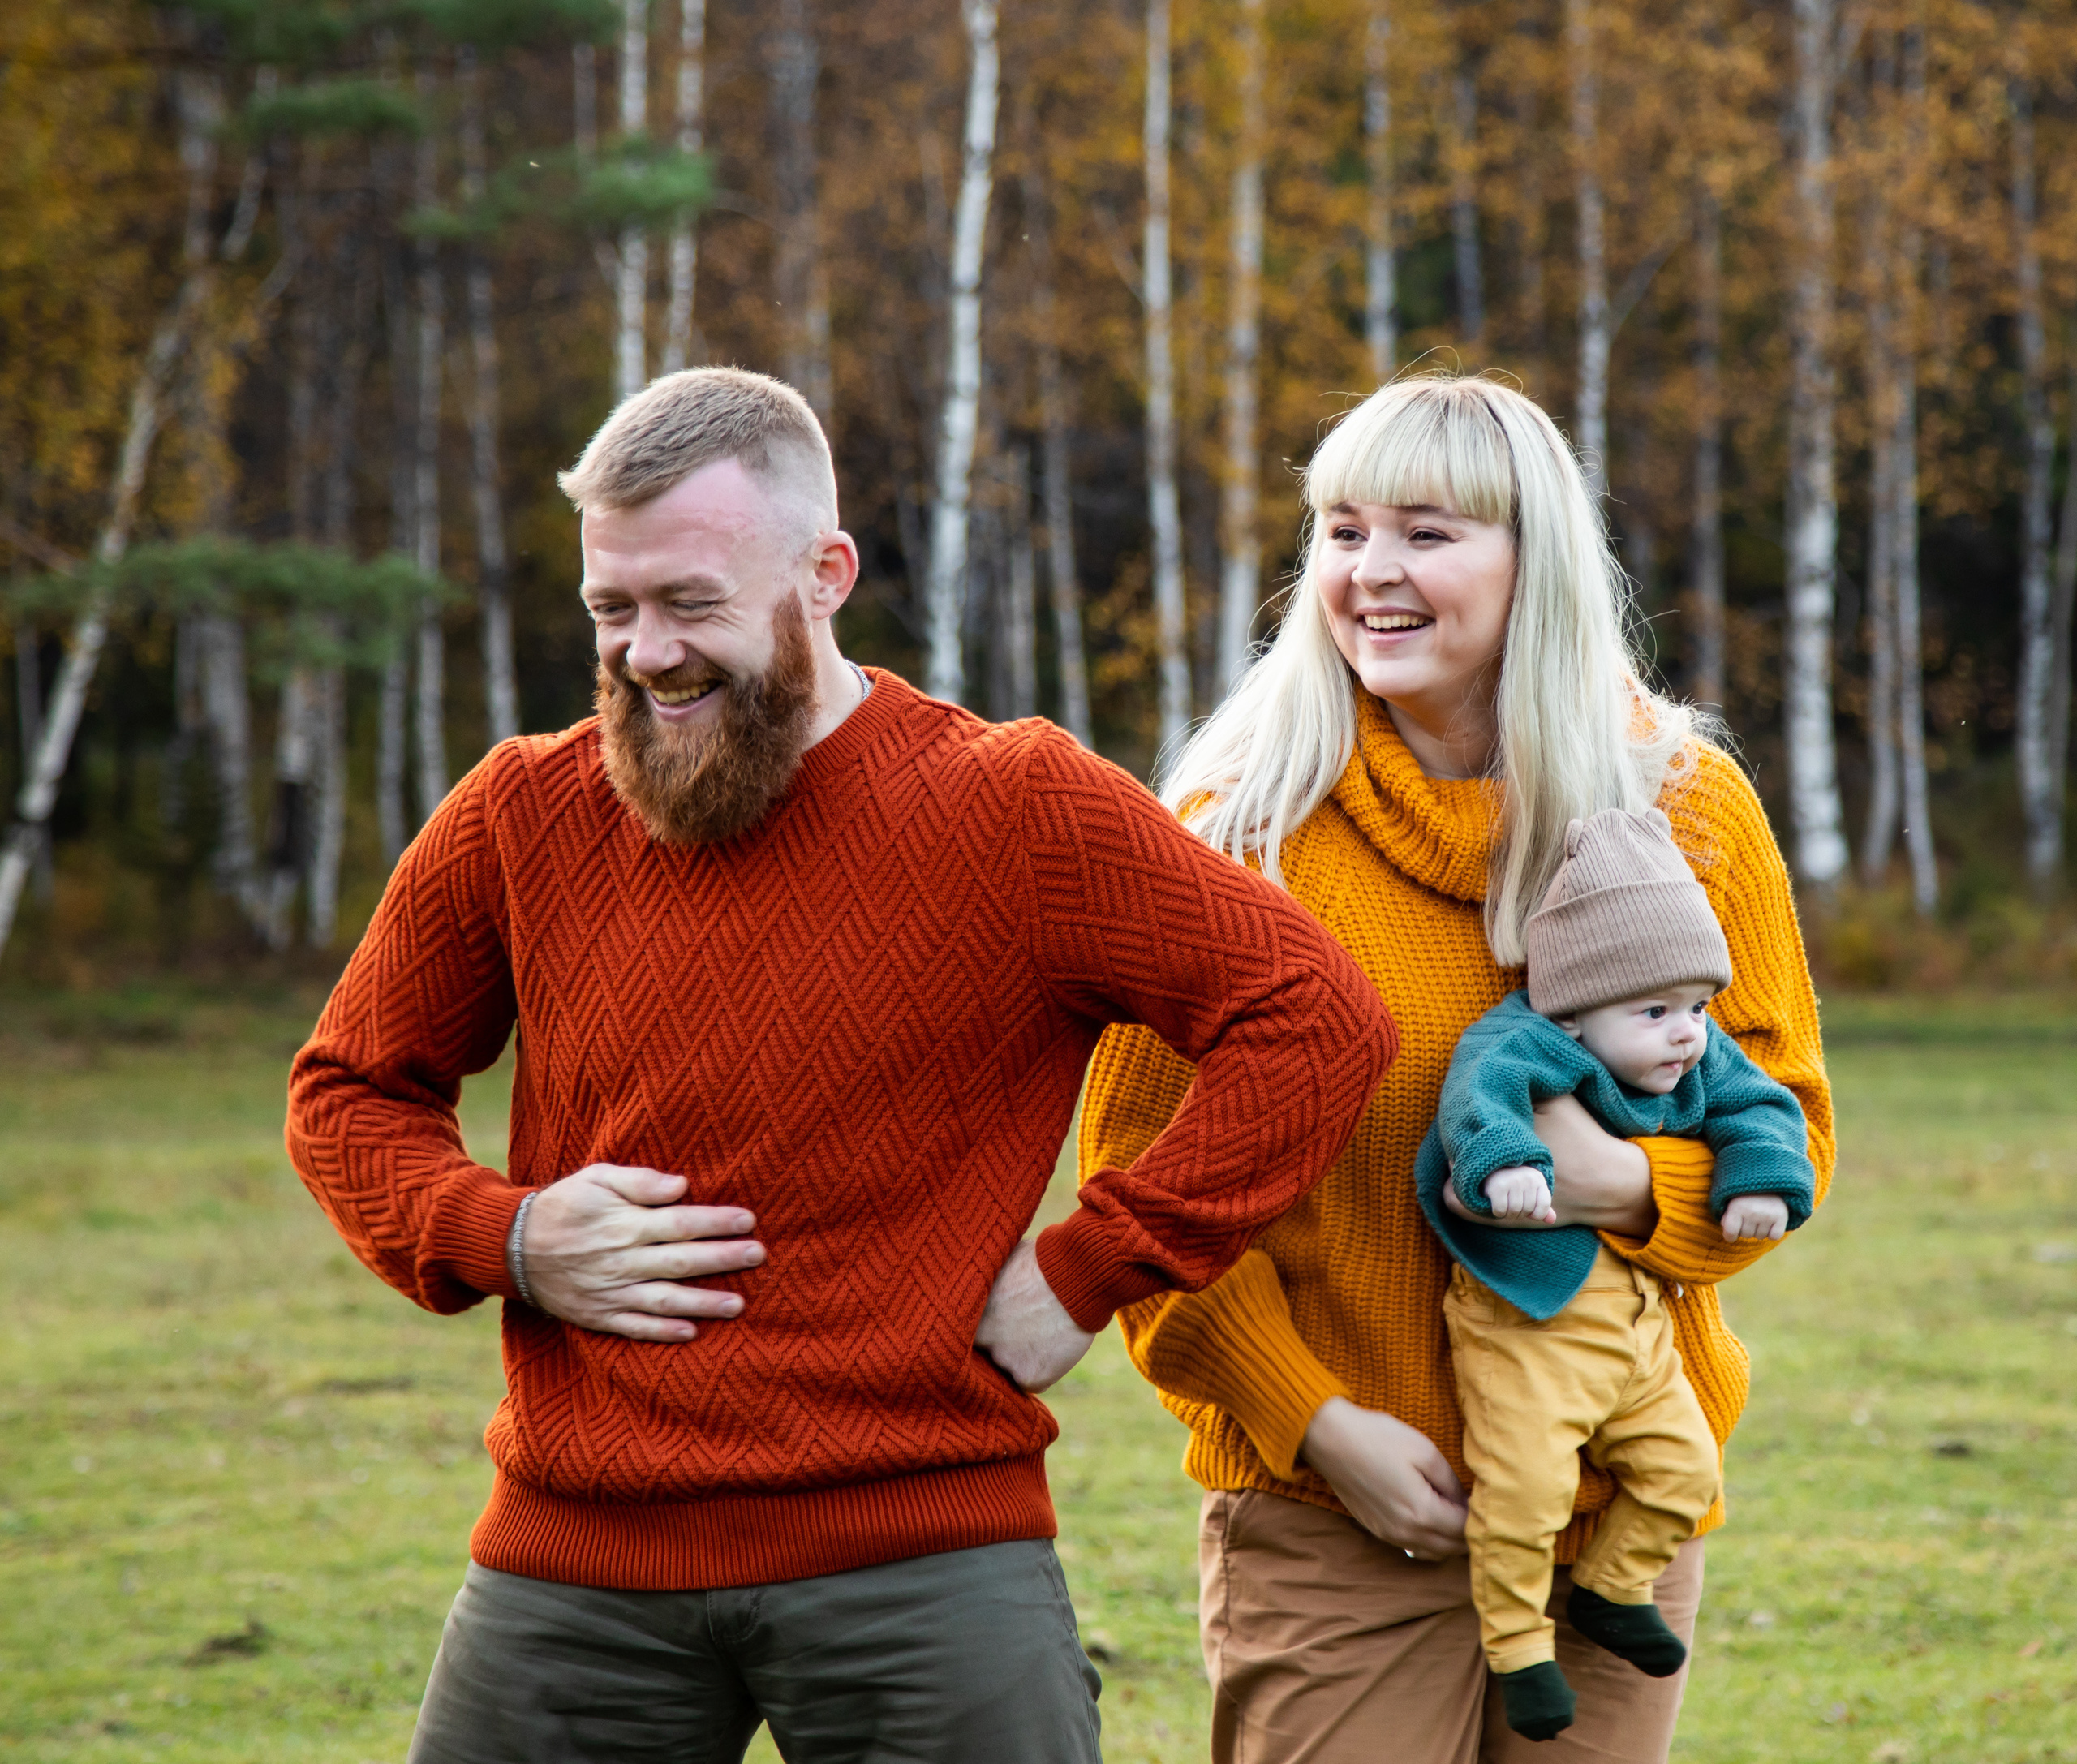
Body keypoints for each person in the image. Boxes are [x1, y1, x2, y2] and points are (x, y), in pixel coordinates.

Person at [284, 367, 1396, 1764]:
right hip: (575, 1561)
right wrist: (498, 1230)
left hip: (924, 1550)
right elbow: (347, 1087)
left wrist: (1092, 1264)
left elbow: (1314, 1018)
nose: (645, 653)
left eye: (691, 603)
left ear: (826, 573)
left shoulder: (1016, 803)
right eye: (610, 609)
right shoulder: (524, 808)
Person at [1078, 372, 1834, 1763]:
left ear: (1530, 559)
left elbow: (1783, 1130)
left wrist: (1624, 1184)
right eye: (1342, 529)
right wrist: (1314, 1426)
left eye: (1426, 532)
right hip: (1342, 1523)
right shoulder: (1238, 827)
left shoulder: (1679, 801)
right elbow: (1142, 1182)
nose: (1372, 572)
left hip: (1615, 1503)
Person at [1417, 805, 1817, 1742]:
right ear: (1575, 1007)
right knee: (1523, 1490)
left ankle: (1612, 1583)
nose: (1685, 1034)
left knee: (1685, 1465)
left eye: (1696, 1005)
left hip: (1638, 1326)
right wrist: (1508, 1161)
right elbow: (1476, 1098)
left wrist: (1762, 1177)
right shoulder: (1526, 1040)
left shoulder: (1690, 1048)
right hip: (1527, 1320)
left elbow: (1764, 1104)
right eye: (1654, 1011)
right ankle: (1519, 1645)